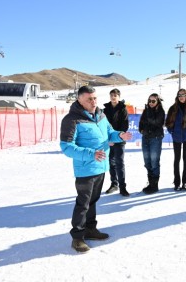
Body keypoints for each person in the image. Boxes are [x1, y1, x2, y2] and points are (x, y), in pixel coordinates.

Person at [60, 85, 132, 253]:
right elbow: (66, 147)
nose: (93, 102)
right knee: (83, 204)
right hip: (85, 169)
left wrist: (119, 135)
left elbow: (110, 133)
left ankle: (90, 229)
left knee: (93, 201)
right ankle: (77, 237)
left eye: (95, 98)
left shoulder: (100, 115)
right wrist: (91, 154)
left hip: (101, 166)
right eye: (89, 99)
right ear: (79, 100)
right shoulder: (71, 120)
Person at [165, 89, 186, 191]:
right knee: (177, 159)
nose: (181, 97)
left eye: (183, 95)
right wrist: (171, 130)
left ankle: (185, 182)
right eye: (179, 95)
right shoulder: (173, 108)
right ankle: (176, 182)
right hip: (176, 137)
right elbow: (168, 122)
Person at [103, 88, 130, 196]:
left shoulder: (123, 109)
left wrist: (117, 137)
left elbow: (125, 126)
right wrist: (108, 139)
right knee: (111, 163)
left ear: (119, 97)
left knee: (119, 163)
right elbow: (103, 125)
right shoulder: (105, 109)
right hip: (109, 141)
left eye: (115, 95)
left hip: (119, 140)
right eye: (111, 95)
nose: (113, 97)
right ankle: (114, 184)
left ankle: (122, 187)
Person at [139, 93, 165, 194]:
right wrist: (141, 130)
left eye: (153, 101)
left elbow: (156, 122)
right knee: (147, 161)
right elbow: (141, 123)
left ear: (157, 102)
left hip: (155, 139)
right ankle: (150, 183)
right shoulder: (146, 111)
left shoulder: (160, 111)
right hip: (145, 138)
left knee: (154, 162)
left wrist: (148, 114)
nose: (151, 103)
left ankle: (155, 185)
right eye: (149, 101)